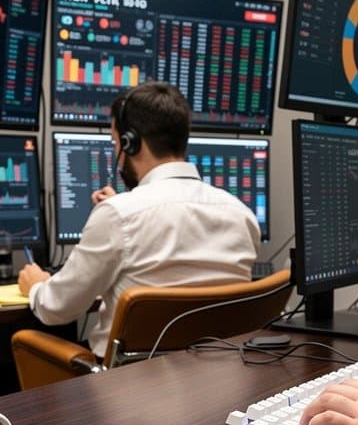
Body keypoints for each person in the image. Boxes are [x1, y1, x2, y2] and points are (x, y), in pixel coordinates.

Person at [17, 81, 260, 359]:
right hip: (218, 380)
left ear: (131, 143)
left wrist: (36, 286)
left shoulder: (118, 216)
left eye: (115, 143)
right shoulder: (241, 214)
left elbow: (58, 308)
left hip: (130, 389)